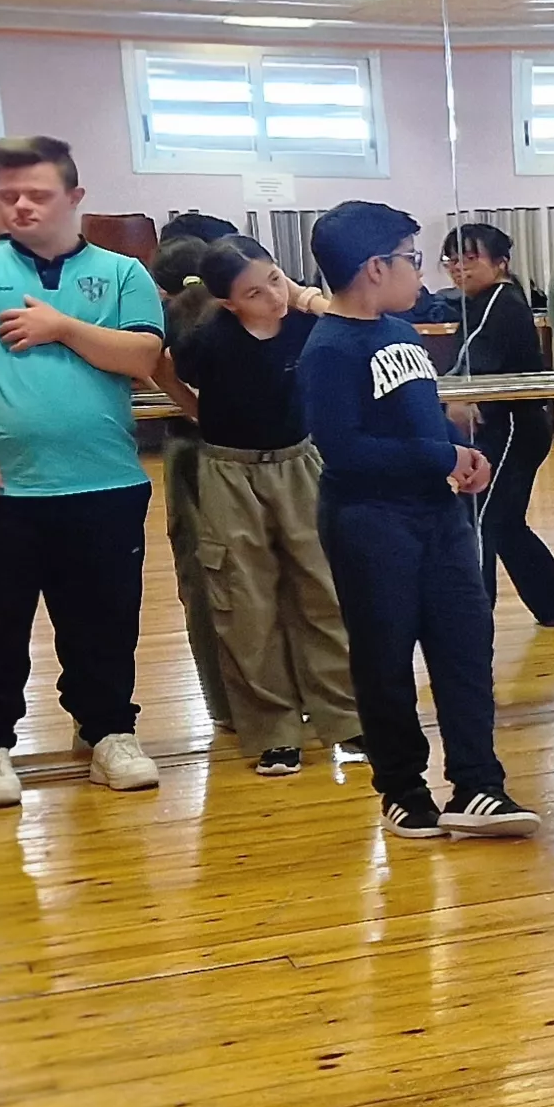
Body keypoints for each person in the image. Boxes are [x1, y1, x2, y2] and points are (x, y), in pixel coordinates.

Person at [0, 136, 169, 809]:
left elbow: (142, 353)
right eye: (9, 197)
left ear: (75, 198)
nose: (23, 206)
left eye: (39, 194)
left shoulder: (122, 274)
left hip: (104, 482)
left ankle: (110, 733)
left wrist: (62, 327)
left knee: (105, 623)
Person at [298, 203, 537, 839]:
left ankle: (479, 784)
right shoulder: (329, 348)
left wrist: (453, 438)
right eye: (412, 258)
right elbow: (345, 449)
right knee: (385, 657)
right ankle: (403, 788)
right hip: (370, 523)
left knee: (464, 646)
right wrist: (441, 453)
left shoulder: (400, 332)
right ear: (376, 268)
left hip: (439, 515)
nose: (420, 272)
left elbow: (415, 417)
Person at [159, 236, 363, 778]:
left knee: (322, 590)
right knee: (245, 602)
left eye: (275, 279)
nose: (272, 297)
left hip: (299, 464)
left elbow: (348, 324)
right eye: (254, 292)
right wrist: (197, 413)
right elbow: (164, 369)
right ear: (228, 303)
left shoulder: (306, 324)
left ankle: (344, 719)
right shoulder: (207, 341)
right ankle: (274, 730)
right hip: (229, 471)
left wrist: (306, 297)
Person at [444, 222, 554, 632]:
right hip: (509, 429)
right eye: (451, 259)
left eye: (470, 258)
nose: (459, 268)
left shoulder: (500, 300)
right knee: (505, 522)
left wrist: (450, 391)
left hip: (510, 429)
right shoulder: (479, 301)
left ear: (501, 263)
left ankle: (471, 621)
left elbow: (471, 358)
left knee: (479, 519)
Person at [150, 234, 237, 736]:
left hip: (193, 453)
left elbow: (153, 370)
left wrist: (178, 394)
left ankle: (224, 704)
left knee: (203, 582)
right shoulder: (238, 317)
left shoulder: (168, 323)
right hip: (261, 457)